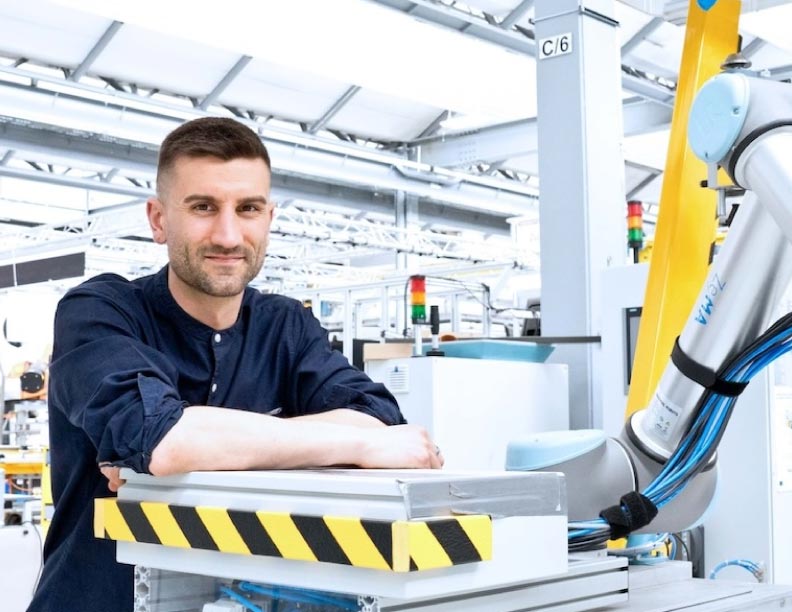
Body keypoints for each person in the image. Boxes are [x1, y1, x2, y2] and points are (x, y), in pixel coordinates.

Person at [28, 117, 442, 612]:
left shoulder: (284, 326)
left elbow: (377, 414)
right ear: (159, 220)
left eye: (247, 208)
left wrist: (203, 443)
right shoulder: (101, 310)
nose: (227, 234)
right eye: (203, 207)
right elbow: (163, 439)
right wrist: (354, 443)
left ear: (268, 218)